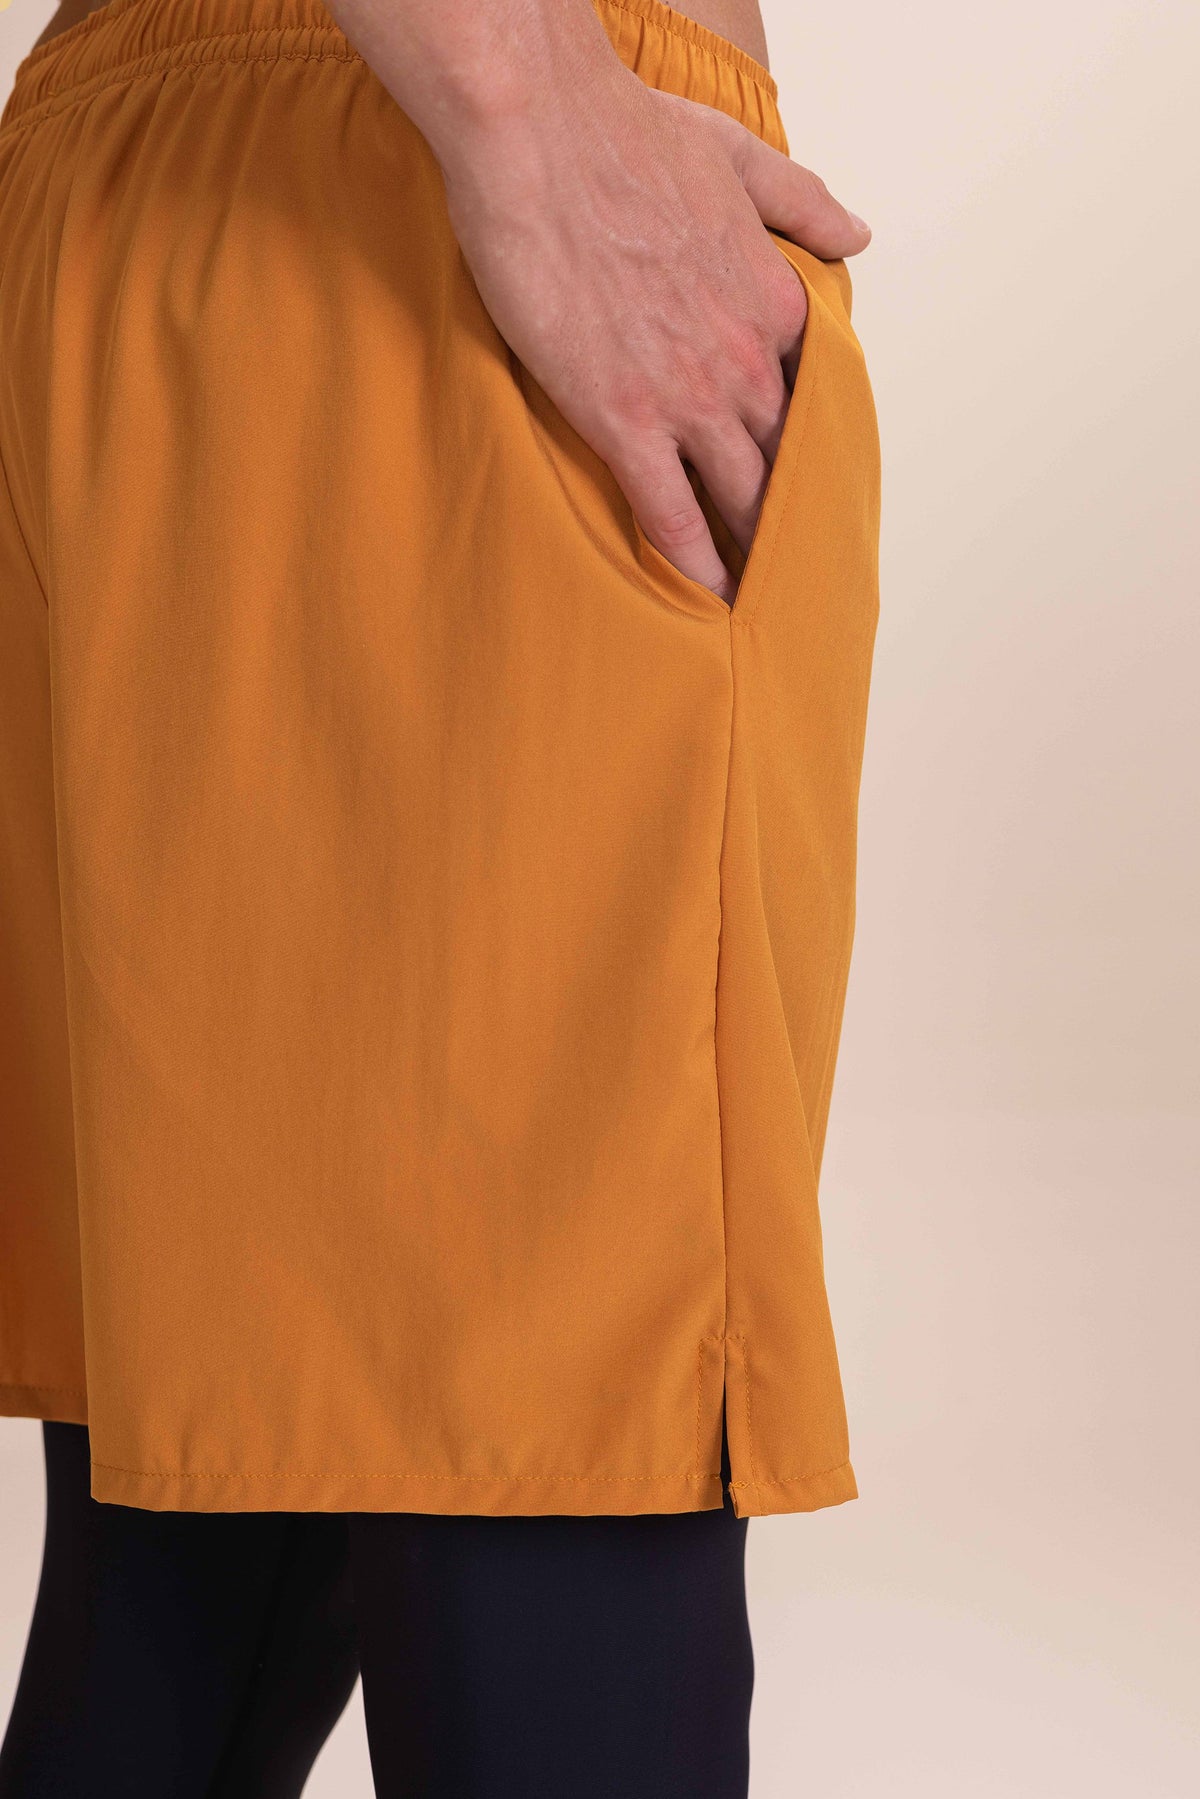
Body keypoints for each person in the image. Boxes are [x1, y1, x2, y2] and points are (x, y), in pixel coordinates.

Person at [0, 0, 880, 1792]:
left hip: (153, 207)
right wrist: (529, 107)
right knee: (553, 1499)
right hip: (422, 230)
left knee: (190, 1570)